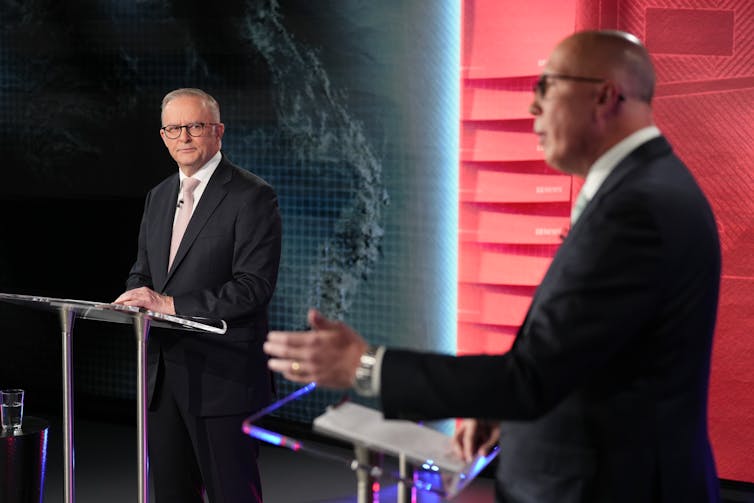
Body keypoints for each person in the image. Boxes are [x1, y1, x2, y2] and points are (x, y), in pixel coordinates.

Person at [263, 30, 721, 503]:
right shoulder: (648, 187)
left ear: (604, 95)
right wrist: (499, 407)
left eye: (546, 88)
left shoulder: (636, 210)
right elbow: (583, 353)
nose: (532, 109)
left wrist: (363, 366)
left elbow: (531, 377)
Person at [114, 88, 282, 503]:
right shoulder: (158, 196)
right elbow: (145, 270)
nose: (184, 137)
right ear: (163, 136)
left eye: (195, 126)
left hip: (222, 380)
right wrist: (134, 296)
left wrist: (169, 305)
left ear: (218, 131)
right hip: (163, 379)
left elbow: (253, 287)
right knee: (172, 494)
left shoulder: (252, 196)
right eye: (174, 128)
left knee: (232, 494)